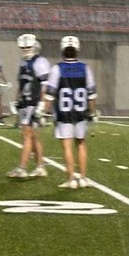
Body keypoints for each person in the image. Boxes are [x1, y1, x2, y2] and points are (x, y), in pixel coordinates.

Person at [40, 35, 96, 188]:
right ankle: (83, 177)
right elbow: (91, 95)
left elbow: (50, 94)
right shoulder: (86, 68)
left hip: (64, 113)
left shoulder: (57, 69)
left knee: (67, 145)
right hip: (81, 112)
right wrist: (92, 112)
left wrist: (43, 112)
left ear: (62, 50)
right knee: (81, 144)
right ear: (77, 50)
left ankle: (71, 179)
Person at [8, 34, 51, 179]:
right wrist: (16, 101)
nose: (26, 50)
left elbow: (45, 86)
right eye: (23, 47)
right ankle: (40, 167)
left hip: (34, 102)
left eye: (28, 47)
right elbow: (21, 84)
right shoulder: (23, 62)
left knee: (27, 135)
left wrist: (42, 105)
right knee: (32, 136)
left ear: (35, 46)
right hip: (25, 102)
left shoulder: (40, 62)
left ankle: (22, 168)